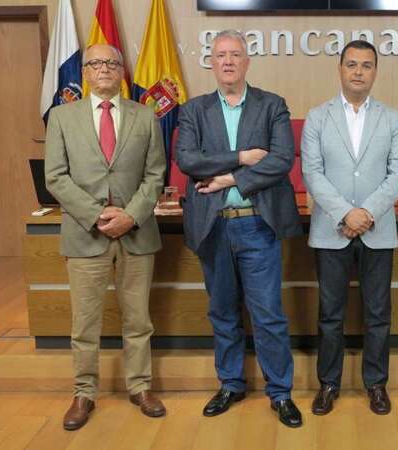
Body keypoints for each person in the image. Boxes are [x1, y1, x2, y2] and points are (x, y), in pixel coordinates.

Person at [175, 30, 303, 428]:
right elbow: (188, 160)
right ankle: (231, 384)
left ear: (247, 62)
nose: (228, 62)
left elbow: (281, 159)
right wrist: (243, 158)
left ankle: (280, 393)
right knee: (223, 312)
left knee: (268, 315)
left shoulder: (272, 106)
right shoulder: (194, 110)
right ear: (210, 63)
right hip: (213, 228)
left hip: (256, 226)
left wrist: (230, 179)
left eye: (235, 55)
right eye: (220, 56)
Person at [45, 44, 167, 431]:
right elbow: (55, 177)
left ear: (121, 71)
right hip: (85, 234)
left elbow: (155, 176)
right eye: (96, 63)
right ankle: (84, 393)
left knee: (138, 320)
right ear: (84, 71)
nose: (104, 69)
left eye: (112, 63)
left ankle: (140, 387)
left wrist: (130, 216)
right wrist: (97, 214)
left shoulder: (146, 116)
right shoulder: (62, 118)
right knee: (85, 322)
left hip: (136, 233)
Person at [301, 40, 398, 416]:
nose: (359, 71)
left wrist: (366, 213)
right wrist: (346, 214)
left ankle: (376, 384)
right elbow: (312, 172)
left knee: (378, 313)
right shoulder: (318, 117)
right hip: (331, 231)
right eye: (352, 64)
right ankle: (328, 384)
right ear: (340, 70)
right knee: (331, 314)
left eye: (366, 65)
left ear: (375, 71)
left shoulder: (392, 118)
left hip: (377, 231)